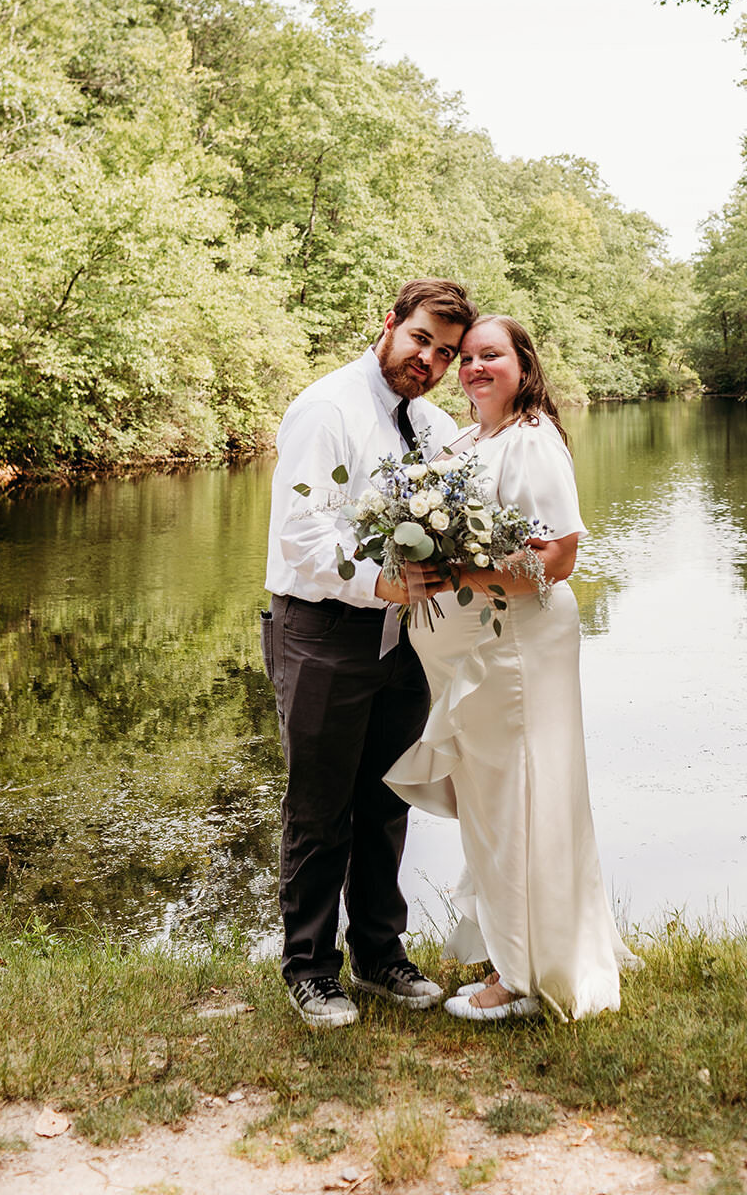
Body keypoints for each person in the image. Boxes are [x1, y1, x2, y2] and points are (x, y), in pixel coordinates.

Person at [385, 315, 641, 1021]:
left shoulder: (529, 442)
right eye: (464, 357)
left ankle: (523, 974)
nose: (471, 368)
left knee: (519, 801)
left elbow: (556, 560)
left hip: (515, 651)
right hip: (479, 655)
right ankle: (518, 948)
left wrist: (459, 573)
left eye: (488, 355)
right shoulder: (469, 440)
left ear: (523, 365)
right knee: (497, 805)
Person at [262, 279, 477, 1028]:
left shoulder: (431, 422)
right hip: (322, 631)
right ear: (388, 325)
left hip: (404, 638)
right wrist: (383, 581)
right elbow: (304, 534)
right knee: (321, 809)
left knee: (388, 802)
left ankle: (379, 956)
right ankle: (311, 969)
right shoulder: (327, 409)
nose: (430, 360)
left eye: (445, 353)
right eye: (421, 340)